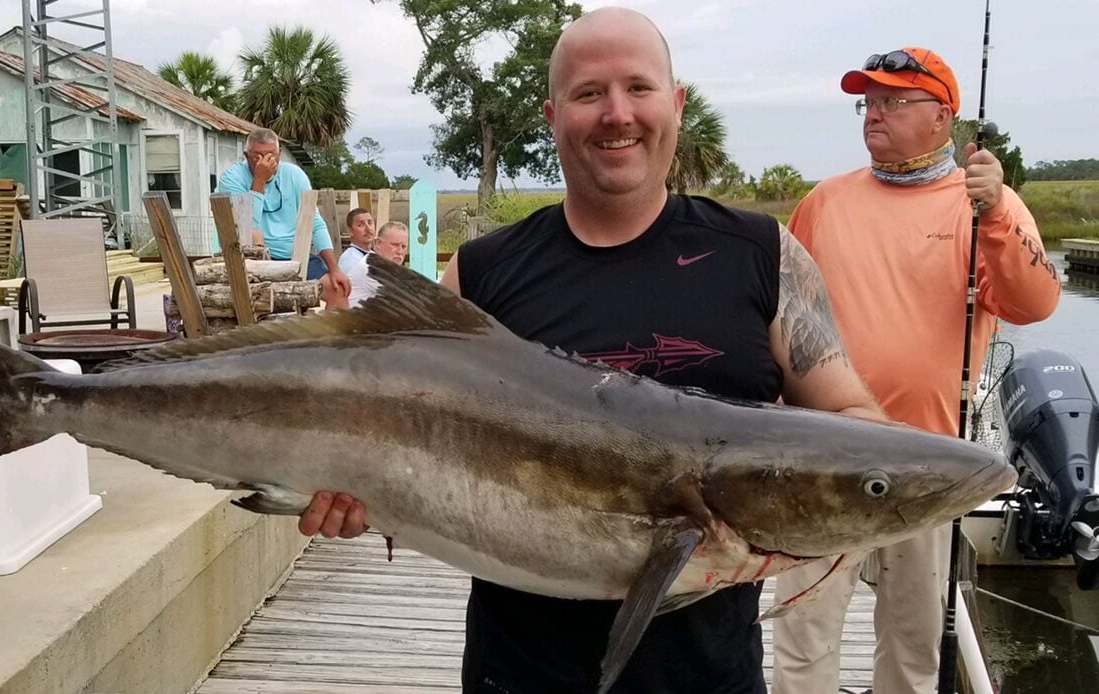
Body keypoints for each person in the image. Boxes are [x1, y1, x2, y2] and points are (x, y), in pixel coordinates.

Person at [297, 8, 887, 692]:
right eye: (588, 93)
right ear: (553, 117)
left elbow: (854, 421)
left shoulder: (761, 255)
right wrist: (355, 483)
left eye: (638, 87)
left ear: (676, 103)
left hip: (710, 677)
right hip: (517, 676)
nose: (617, 114)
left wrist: (836, 510)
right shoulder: (483, 273)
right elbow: (379, 414)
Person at [771, 47, 1060, 694]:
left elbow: (1034, 303)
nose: (874, 114)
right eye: (868, 103)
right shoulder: (826, 201)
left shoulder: (986, 204)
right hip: (822, 458)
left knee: (914, 640)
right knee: (803, 634)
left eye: (893, 101)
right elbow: (783, 309)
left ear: (942, 117)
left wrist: (999, 212)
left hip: (929, 466)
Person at [216, 127, 350, 296]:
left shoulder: (295, 175)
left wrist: (335, 269)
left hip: (294, 257)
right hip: (253, 261)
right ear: (246, 155)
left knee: (337, 290)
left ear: (279, 154)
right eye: (257, 155)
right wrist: (259, 180)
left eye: (270, 154)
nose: (265, 160)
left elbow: (314, 222)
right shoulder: (232, 178)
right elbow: (247, 227)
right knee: (255, 235)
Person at [322, 220, 410, 310]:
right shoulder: (371, 267)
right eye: (395, 245)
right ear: (378, 243)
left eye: (403, 246)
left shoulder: (387, 269)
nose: (400, 251)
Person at [337, 207, 376, 274]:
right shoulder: (350, 260)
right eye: (361, 225)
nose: (368, 229)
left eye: (370, 223)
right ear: (350, 231)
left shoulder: (373, 254)